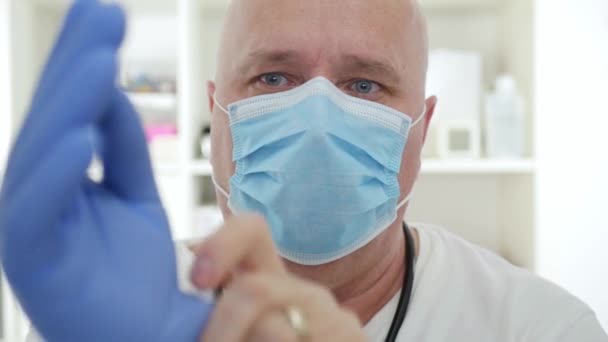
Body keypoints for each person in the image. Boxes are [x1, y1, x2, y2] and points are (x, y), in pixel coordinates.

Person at [0, 0, 606, 341]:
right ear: (217, 111)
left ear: (421, 129)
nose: (318, 118)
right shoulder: (115, 309)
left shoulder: (539, 328)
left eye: (363, 84)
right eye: (273, 78)